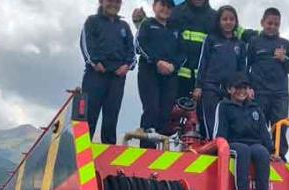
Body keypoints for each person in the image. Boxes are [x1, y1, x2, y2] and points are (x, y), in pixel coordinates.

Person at [214, 72, 276, 190]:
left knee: (262, 152)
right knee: (243, 151)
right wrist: (220, 147)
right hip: (233, 143)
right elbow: (219, 132)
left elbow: (264, 132)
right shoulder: (224, 106)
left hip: (254, 144)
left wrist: (272, 151)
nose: (242, 91)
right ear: (230, 89)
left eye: (245, 87)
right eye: (238, 87)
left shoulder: (255, 109)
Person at [134, 0, 216, 99]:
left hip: (201, 84)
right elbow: (159, 29)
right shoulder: (175, 11)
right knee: (163, 112)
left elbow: (230, 35)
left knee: (200, 114)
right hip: (173, 77)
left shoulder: (215, 17)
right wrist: (140, 23)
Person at [80, 0, 136, 144]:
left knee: (111, 118)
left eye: (117, 2)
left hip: (117, 77)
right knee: (89, 117)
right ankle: (81, 154)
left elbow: (132, 52)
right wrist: (95, 63)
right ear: (101, 1)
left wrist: (127, 66)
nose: (114, 5)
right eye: (110, 1)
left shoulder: (124, 26)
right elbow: (86, 45)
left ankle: (108, 154)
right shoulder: (92, 21)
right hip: (96, 75)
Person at [247, 7, 289, 161]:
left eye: (276, 24)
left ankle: (279, 154)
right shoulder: (254, 42)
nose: (272, 26)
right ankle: (259, 153)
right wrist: (248, 87)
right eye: (269, 23)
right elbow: (245, 65)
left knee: (280, 126)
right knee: (257, 124)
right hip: (259, 91)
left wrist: (284, 59)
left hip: (279, 93)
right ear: (262, 23)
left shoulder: (285, 44)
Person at [194, 5, 247, 139]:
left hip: (230, 90)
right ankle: (211, 146)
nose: (228, 22)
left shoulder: (240, 44)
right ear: (219, 21)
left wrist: (245, 88)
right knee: (211, 121)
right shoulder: (211, 39)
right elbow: (203, 63)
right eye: (224, 19)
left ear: (236, 22)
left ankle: (226, 149)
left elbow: (242, 70)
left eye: (231, 19)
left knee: (229, 120)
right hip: (210, 87)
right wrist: (198, 86)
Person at [136, 0, 185, 143]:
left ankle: (161, 155)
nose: (165, 9)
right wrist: (157, 61)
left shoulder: (176, 29)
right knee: (151, 109)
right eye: (162, 5)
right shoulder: (147, 24)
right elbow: (140, 45)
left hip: (170, 76)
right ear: (154, 7)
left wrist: (173, 66)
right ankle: (146, 151)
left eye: (169, 6)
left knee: (165, 114)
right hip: (149, 73)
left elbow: (183, 53)